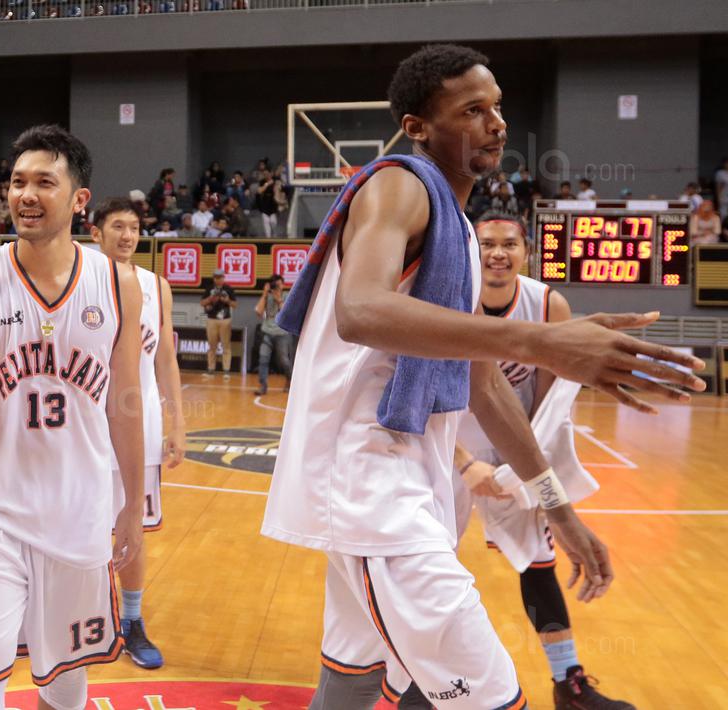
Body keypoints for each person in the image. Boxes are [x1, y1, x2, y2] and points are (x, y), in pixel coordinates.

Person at [263, 44, 704, 710]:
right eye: (472, 110)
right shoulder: (399, 184)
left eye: (496, 107)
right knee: (491, 695)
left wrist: (559, 510)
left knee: (349, 679)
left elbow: (484, 384)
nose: (495, 123)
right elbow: (360, 311)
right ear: (417, 126)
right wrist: (541, 339)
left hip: (408, 482)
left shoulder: (459, 233)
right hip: (370, 488)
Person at [0, 124, 145, 710]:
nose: (25, 194)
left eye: (45, 181)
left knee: (67, 682)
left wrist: (132, 507)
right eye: (17, 182)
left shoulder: (117, 285)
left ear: (78, 199)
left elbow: (126, 403)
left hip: (79, 512)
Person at [455, 213, 634, 709]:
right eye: (486, 243)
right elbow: (418, 389)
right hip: (447, 444)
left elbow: (552, 408)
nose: (496, 253)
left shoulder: (547, 303)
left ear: (525, 253)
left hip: (516, 441)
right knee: (428, 559)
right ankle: (418, 680)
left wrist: (524, 474)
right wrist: (466, 462)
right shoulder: (450, 297)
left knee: (539, 561)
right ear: (473, 252)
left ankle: (568, 683)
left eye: (507, 244)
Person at [90, 197, 187, 670]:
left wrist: (177, 423)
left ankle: (130, 621)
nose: (127, 236)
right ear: (96, 233)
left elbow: (165, 359)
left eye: (134, 228)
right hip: (85, 432)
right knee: (81, 530)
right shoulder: (79, 281)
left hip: (140, 428)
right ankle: (85, 617)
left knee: (134, 534)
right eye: (117, 227)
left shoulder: (157, 287)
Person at [253, 274, 291, 396]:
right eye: (275, 285)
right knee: (263, 359)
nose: (277, 287)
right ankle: (263, 386)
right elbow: (258, 312)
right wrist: (264, 294)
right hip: (267, 332)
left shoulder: (287, 295)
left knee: (283, 361)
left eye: (279, 284)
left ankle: (290, 380)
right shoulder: (267, 296)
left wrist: (279, 299)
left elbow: (287, 314)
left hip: (282, 333)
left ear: (283, 285)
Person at [200, 269, 236, 379]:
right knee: (212, 345)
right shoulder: (209, 288)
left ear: (223, 278)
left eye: (220, 277)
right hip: (212, 319)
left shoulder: (228, 289)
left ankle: (226, 370)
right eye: (216, 277)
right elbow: (202, 303)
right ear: (214, 278)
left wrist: (227, 301)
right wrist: (211, 298)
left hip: (225, 320)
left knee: (226, 345)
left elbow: (235, 304)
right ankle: (211, 369)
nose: (218, 280)